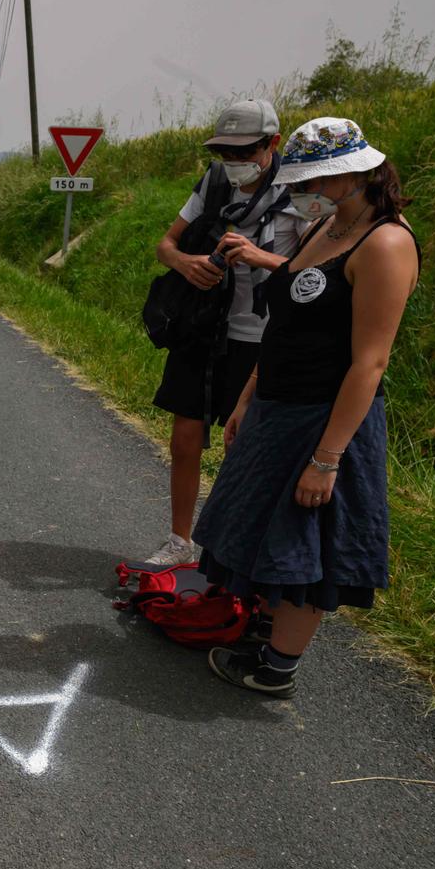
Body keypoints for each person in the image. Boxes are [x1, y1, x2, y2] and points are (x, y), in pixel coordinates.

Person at [195, 117, 420, 697]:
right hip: (277, 404)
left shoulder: (387, 243)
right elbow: (286, 324)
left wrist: (327, 459)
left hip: (325, 418)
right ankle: (263, 633)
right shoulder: (324, 227)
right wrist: (249, 395)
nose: (306, 190)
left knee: (304, 543)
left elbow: (369, 363)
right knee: (264, 527)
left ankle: (276, 669)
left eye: (317, 180)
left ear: (357, 173)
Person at [144, 99, 300, 567]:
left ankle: (230, 552)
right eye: (225, 152)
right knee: (184, 437)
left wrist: (261, 258)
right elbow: (165, 244)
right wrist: (186, 263)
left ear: (272, 144)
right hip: (203, 328)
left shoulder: (303, 193)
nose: (233, 163)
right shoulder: (212, 182)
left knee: (243, 447)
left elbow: (318, 271)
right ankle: (179, 542)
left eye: (244, 152)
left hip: (261, 338)